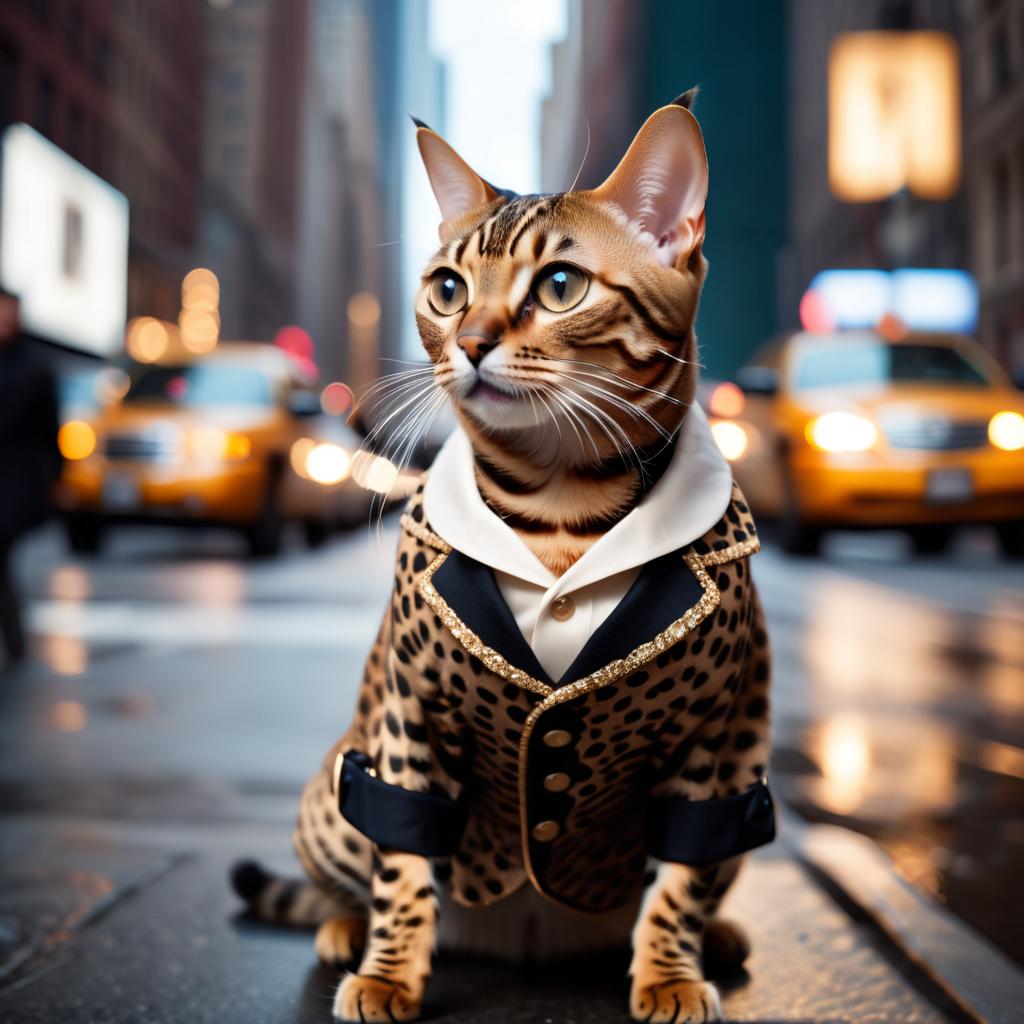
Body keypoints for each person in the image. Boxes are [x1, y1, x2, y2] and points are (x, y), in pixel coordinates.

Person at [0, 287, 61, 666]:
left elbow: (49, 434)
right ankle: (14, 637)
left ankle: (15, 637)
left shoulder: (35, 369)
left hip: (13, 484)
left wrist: (53, 483)